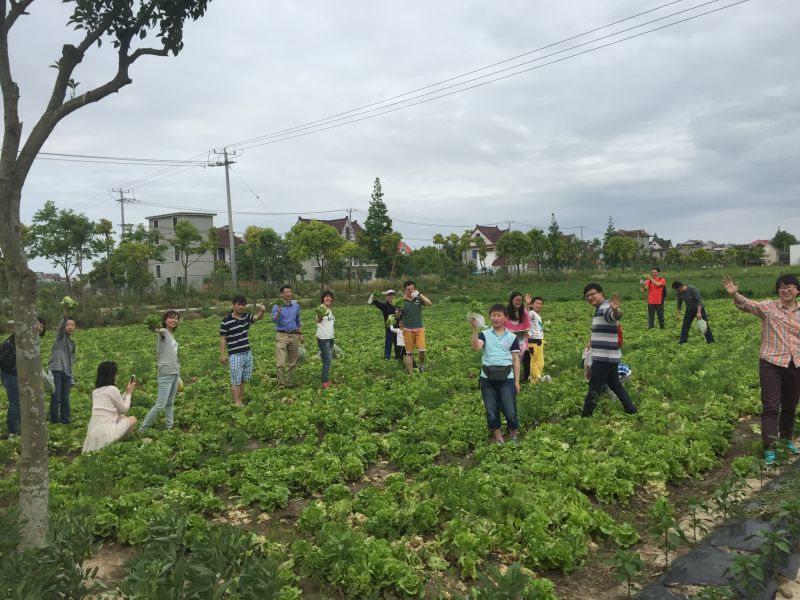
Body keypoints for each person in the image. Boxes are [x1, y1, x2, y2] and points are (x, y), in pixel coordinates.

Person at [723, 274, 800, 465]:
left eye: (790, 287)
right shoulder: (769, 307)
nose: (786, 290)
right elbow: (749, 305)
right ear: (778, 290)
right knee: (772, 406)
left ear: (798, 290)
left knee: (790, 406)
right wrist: (735, 295)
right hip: (771, 363)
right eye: (782, 287)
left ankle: (786, 439)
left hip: (796, 364)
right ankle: (770, 448)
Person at [581, 282, 637, 417]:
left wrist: (616, 310)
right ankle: (631, 409)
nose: (589, 297)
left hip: (603, 358)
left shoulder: (606, 307)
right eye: (587, 296)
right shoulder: (599, 308)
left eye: (592, 294)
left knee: (594, 388)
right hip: (610, 356)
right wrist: (591, 341)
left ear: (601, 293)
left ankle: (585, 416)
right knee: (615, 385)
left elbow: (614, 315)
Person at [471, 303, 521, 444]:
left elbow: (516, 361)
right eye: (493, 315)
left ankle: (514, 437)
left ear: (505, 317)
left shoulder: (512, 337)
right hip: (487, 378)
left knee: (510, 411)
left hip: (507, 379)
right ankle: (499, 439)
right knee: (492, 411)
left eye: (499, 315)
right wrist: (474, 330)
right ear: (490, 317)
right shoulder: (485, 334)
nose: (496, 318)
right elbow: (476, 348)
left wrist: (517, 382)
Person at [0, 317, 46, 436]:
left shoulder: (33, 340)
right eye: (37, 324)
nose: (39, 328)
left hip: (17, 374)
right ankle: (13, 431)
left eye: (41, 326)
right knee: (15, 402)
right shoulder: (23, 335)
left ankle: (20, 426)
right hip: (10, 373)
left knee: (20, 401)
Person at [82, 361, 138, 453]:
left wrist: (127, 391)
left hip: (93, 431)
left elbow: (117, 402)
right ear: (112, 375)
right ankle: (115, 445)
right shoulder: (112, 389)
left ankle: (111, 443)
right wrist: (129, 393)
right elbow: (124, 409)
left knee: (122, 417)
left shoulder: (96, 392)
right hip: (105, 432)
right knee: (133, 419)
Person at [220, 295, 266, 405]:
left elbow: (257, 317)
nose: (241, 307)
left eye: (243, 305)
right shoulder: (226, 321)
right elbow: (222, 338)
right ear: (233, 305)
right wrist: (222, 354)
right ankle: (236, 403)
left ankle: (240, 401)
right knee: (236, 380)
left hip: (247, 352)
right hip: (235, 354)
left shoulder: (245, 317)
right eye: (239, 304)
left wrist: (262, 311)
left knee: (243, 379)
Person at [140, 310, 181, 432]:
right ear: (165, 320)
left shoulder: (171, 335)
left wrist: (178, 371)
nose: (174, 320)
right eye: (171, 318)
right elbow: (161, 332)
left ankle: (170, 427)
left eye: (176, 318)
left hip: (174, 372)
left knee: (170, 403)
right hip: (166, 374)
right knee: (160, 404)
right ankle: (142, 429)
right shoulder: (163, 333)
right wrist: (159, 330)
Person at [48, 302, 76, 424]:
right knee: (56, 398)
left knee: (65, 399)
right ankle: (54, 421)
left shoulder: (72, 344)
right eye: (68, 324)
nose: (69, 326)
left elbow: (71, 362)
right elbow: (61, 326)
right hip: (56, 370)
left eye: (72, 325)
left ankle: (65, 421)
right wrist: (66, 313)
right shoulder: (60, 337)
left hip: (66, 373)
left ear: (75, 327)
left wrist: (72, 379)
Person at [271, 285, 303, 388]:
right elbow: (273, 320)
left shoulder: (296, 306)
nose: (289, 294)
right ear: (282, 294)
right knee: (280, 363)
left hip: (293, 335)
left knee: (293, 362)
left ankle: (290, 383)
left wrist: (300, 334)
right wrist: (278, 313)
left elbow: (298, 321)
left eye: (290, 292)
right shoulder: (277, 306)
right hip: (281, 335)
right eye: (286, 292)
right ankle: (281, 384)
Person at [399, 281, 432, 374]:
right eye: (408, 289)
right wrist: (399, 311)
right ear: (405, 289)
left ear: (415, 289)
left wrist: (419, 294)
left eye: (412, 289)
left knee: (422, 350)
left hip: (419, 328)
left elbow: (429, 303)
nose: (410, 291)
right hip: (407, 330)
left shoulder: (418, 298)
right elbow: (397, 316)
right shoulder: (401, 301)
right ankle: (410, 373)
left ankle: (421, 365)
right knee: (409, 353)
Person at [505, 291, 530, 382]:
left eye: (520, 300)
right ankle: (510, 379)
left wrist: (526, 331)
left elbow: (528, 325)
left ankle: (523, 380)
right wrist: (508, 331)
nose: (518, 302)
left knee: (523, 360)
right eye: (516, 300)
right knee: (510, 361)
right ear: (512, 300)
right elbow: (502, 325)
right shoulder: (506, 312)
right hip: (509, 340)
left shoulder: (524, 313)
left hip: (522, 340)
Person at [368, 290, 397, 360]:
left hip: (398, 325)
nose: (391, 296)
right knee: (388, 342)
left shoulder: (397, 305)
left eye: (392, 295)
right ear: (386, 297)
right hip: (389, 324)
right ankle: (387, 357)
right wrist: (372, 296)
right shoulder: (384, 305)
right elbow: (372, 302)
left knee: (397, 343)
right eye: (389, 295)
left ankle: (398, 357)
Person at [316, 290, 335, 389]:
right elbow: (318, 320)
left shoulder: (329, 309)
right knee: (328, 359)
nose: (328, 298)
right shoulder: (321, 308)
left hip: (331, 338)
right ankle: (324, 382)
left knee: (326, 359)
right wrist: (320, 315)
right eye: (326, 297)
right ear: (323, 298)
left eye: (330, 297)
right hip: (323, 338)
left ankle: (324, 376)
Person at [524, 294, 545, 382]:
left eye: (540, 304)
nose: (539, 305)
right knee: (537, 362)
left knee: (537, 361)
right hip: (534, 341)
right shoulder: (531, 313)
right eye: (537, 303)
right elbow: (526, 313)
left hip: (538, 341)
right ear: (533, 304)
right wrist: (528, 304)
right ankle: (536, 380)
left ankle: (533, 378)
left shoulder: (537, 315)